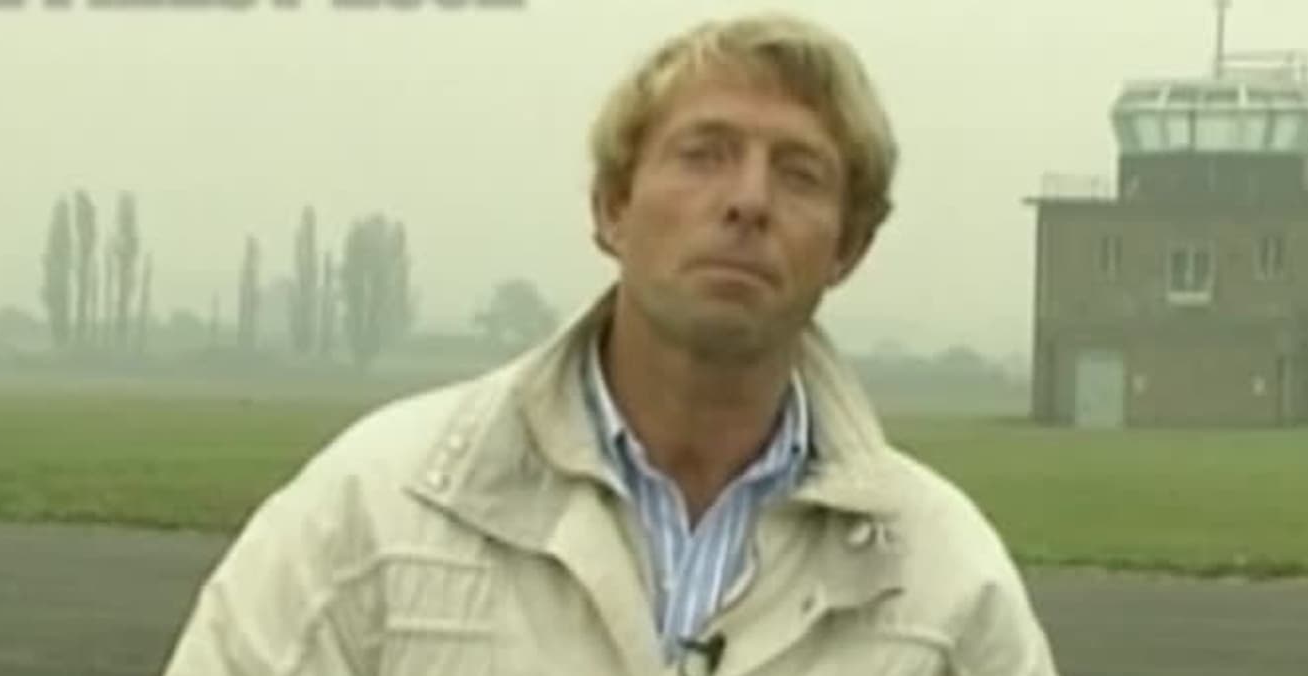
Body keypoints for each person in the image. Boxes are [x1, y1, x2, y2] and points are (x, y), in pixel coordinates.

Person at [160, 11, 1059, 676]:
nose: (748, 201)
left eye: (799, 173)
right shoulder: (379, 509)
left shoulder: (945, 582)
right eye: (704, 153)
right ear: (611, 209)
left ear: (849, 247)